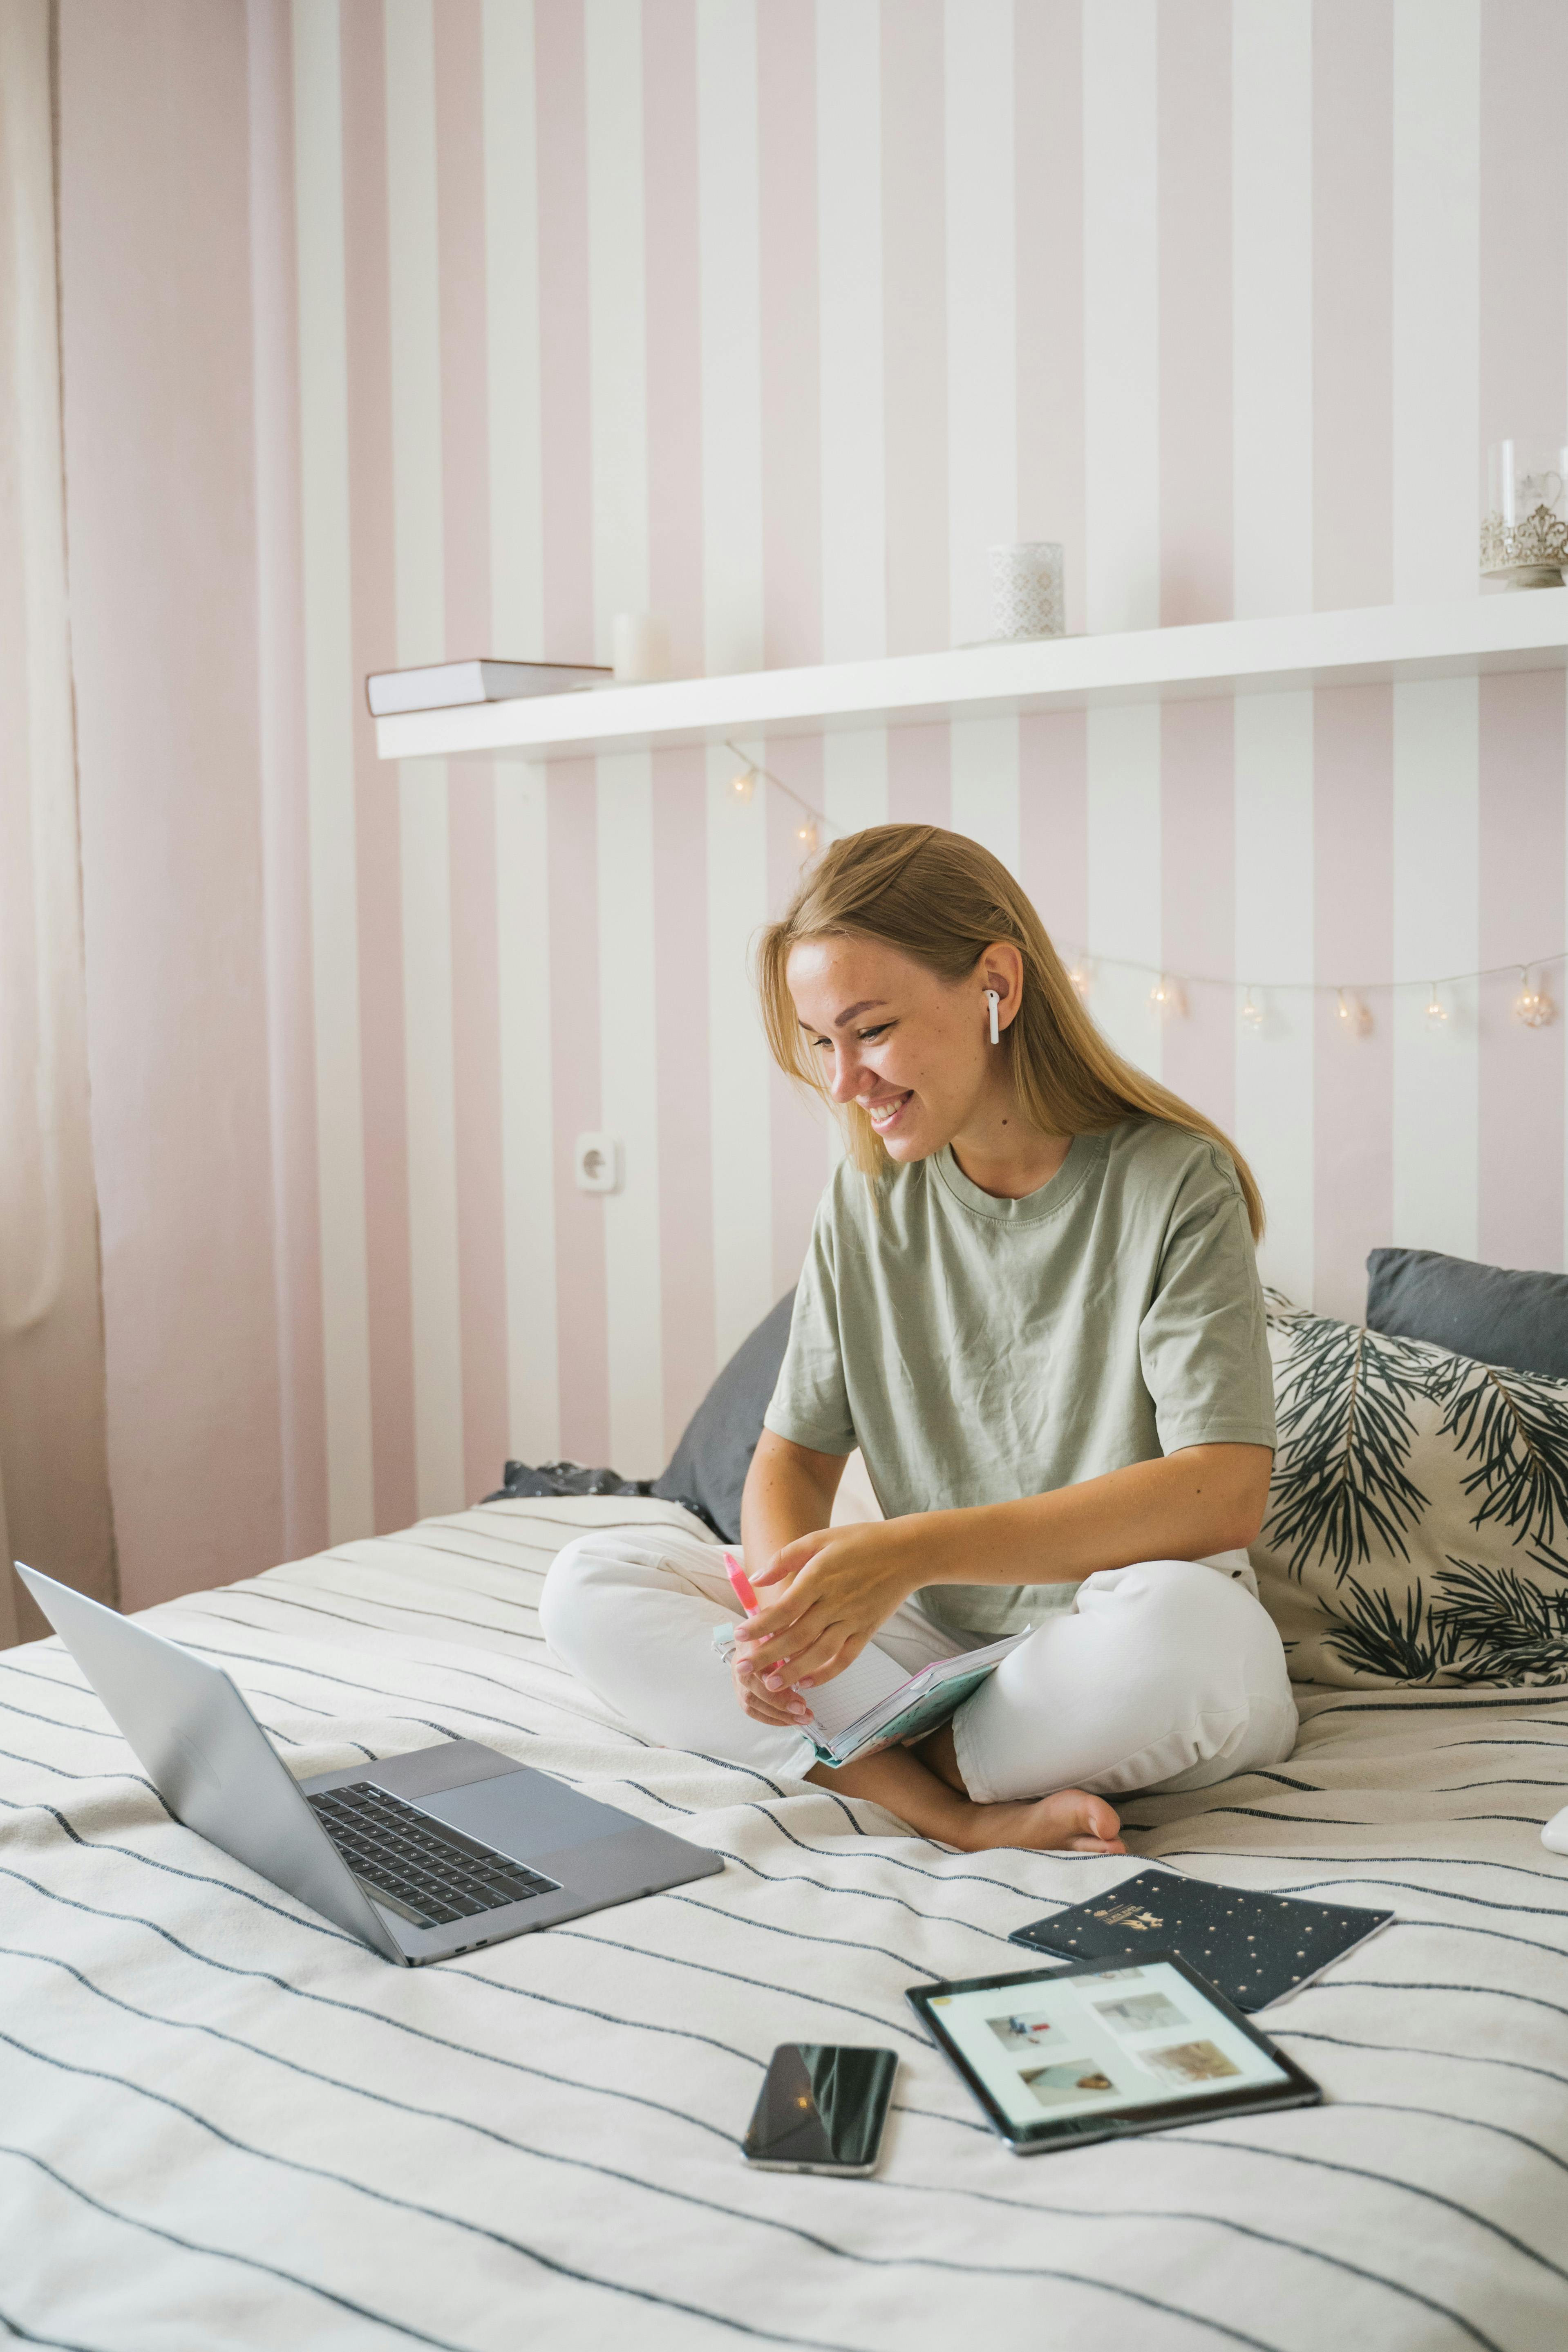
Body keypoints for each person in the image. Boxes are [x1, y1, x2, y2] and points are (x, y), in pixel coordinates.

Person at [541, 823, 1295, 1855]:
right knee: (590, 1581)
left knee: (1185, 1636)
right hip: (934, 1651)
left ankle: (890, 1755)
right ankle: (944, 1805)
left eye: (872, 1029)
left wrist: (905, 1551)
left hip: (1113, 1640)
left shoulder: (1174, 1182)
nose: (843, 1080)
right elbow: (794, 1461)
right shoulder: (864, 1198)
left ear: (995, 982)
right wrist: (784, 1625)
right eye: (820, 1043)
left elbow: (1222, 1489)